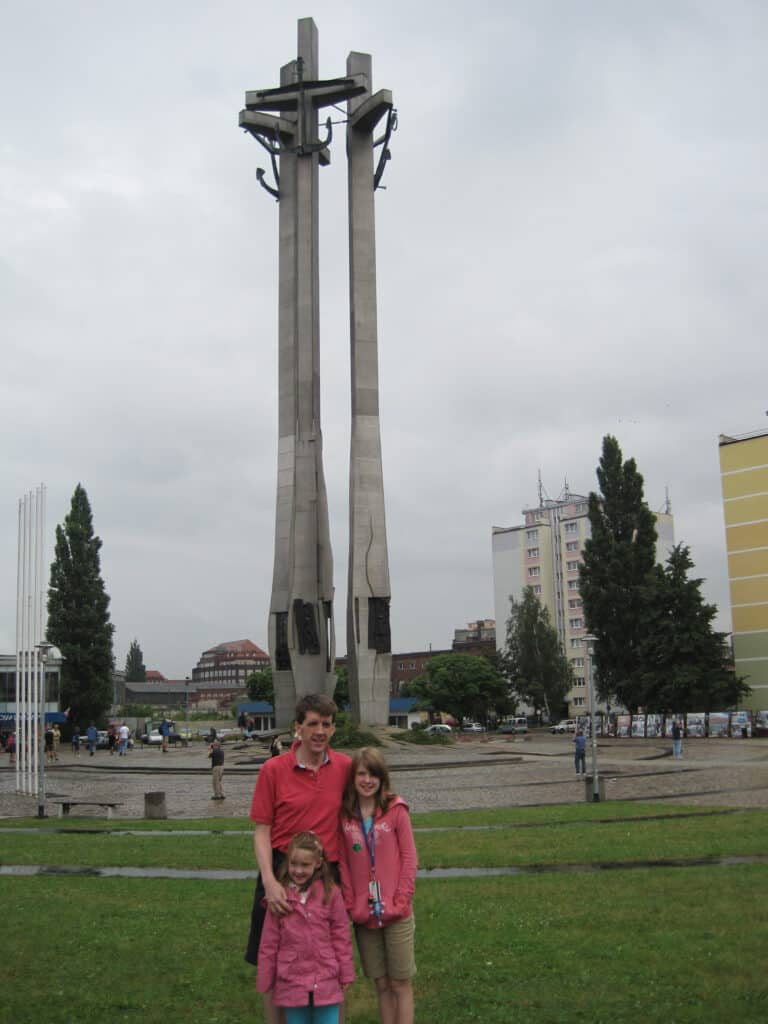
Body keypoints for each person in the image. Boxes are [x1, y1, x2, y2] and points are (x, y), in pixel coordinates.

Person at [246, 694, 351, 1024]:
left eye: (326, 725)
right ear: (298, 729)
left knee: (331, 962)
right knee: (276, 964)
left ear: (333, 729)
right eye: (313, 724)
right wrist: (269, 882)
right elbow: (262, 830)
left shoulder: (345, 768)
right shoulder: (273, 770)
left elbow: (373, 795)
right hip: (281, 871)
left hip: (327, 874)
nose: (320, 731)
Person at [338, 748, 418, 1024]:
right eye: (361, 774)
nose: (367, 780)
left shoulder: (395, 809)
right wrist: (352, 905)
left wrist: (402, 899)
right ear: (353, 778)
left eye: (373, 774)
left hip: (397, 913)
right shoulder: (346, 816)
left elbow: (410, 858)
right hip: (365, 915)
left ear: (382, 777)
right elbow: (344, 865)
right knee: (381, 985)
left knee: (400, 984)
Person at [257, 831, 355, 1024]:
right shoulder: (280, 897)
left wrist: (346, 972)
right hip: (291, 980)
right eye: (294, 864)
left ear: (318, 863)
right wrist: (265, 977)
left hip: (326, 977)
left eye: (305, 865)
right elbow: (269, 941)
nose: (298, 870)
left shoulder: (331, 894)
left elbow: (341, 935)